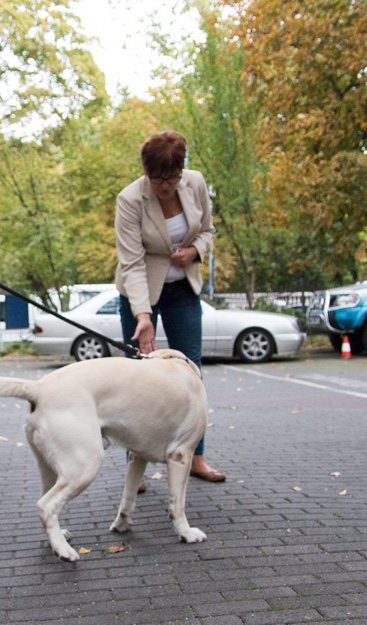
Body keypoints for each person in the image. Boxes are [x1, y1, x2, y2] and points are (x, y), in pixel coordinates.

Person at [115, 130, 226, 489]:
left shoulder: (195, 184)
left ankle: (196, 458)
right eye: (156, 177)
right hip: (140, 291)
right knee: (137, 379)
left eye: (171, 176)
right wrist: (143, 316)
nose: (164, 185)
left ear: (182, 170)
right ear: (145, 171)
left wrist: (194, 252)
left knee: (191, 373)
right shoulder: (130, 199)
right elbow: (131, 263)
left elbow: (207, 230)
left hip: (184, 290)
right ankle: (137, 463)